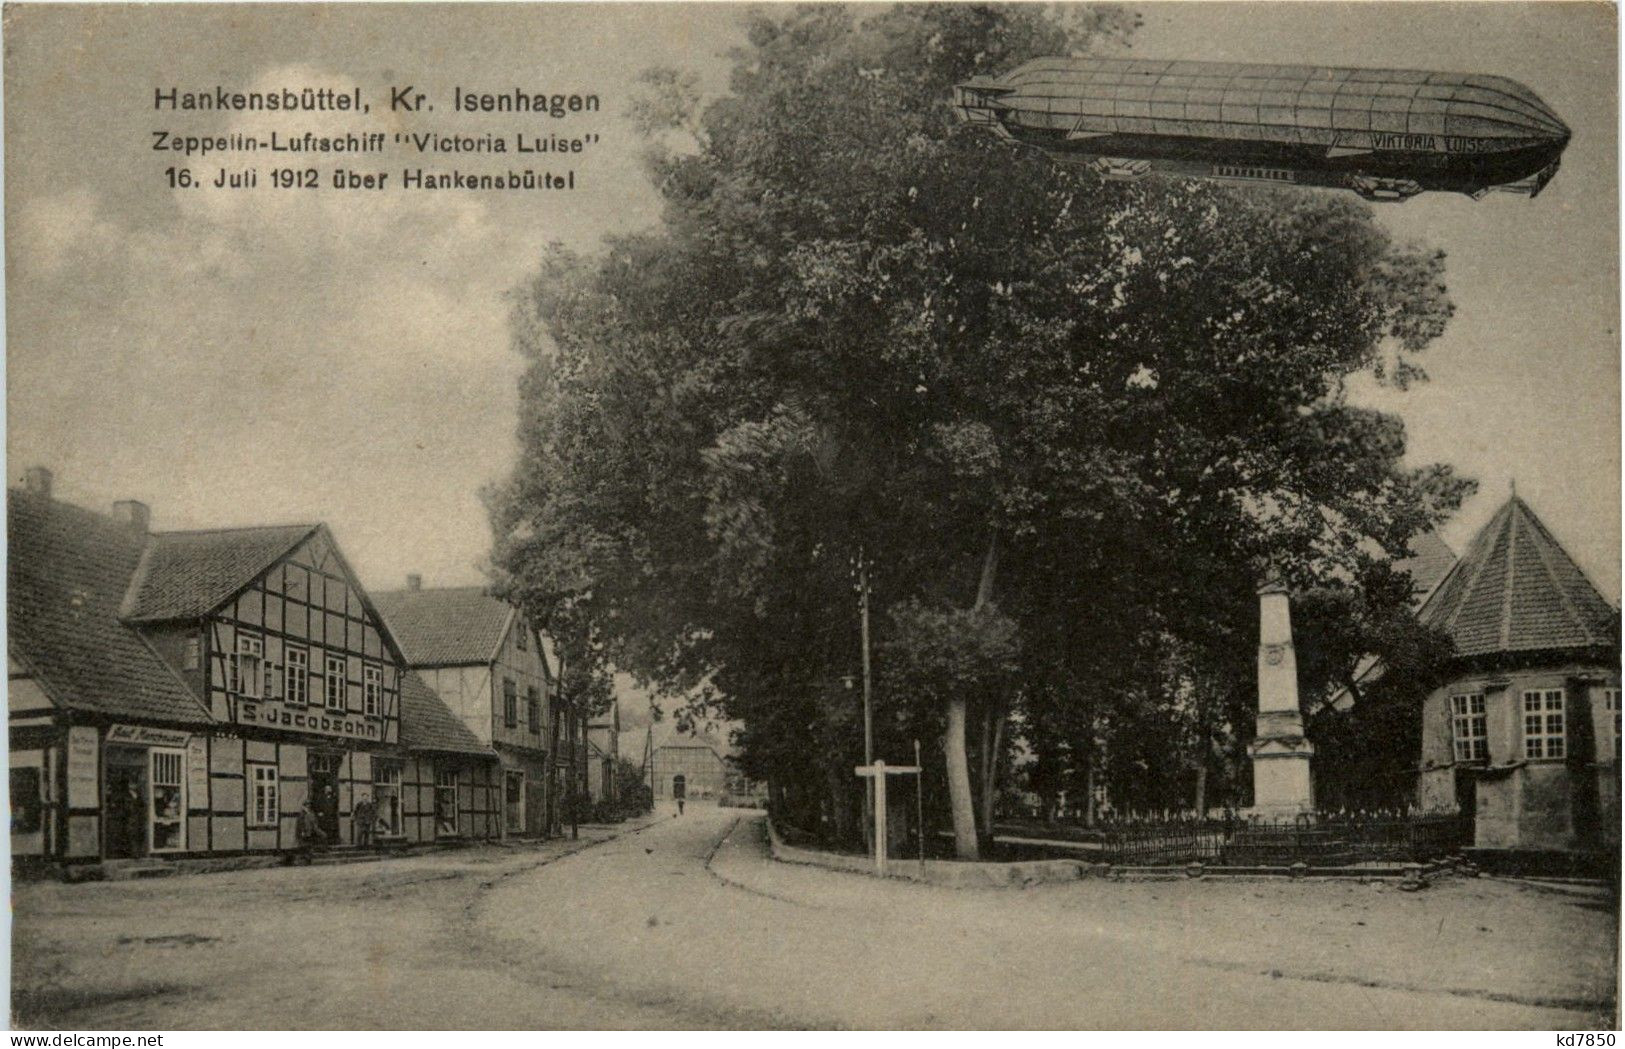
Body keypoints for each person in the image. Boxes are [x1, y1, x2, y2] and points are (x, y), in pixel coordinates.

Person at [293, 800, 325, 865]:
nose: (308, 806)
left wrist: (316, 828)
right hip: (305, 832)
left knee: (321, 837)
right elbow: (300, 824)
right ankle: (306, 860)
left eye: (309, 805)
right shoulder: (302, 814)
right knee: (305, 846)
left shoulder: (311, 813)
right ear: (304, 806)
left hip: (312, 830)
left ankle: (319, 852)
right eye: (307, 805)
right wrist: (302, 831)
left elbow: (314, 821)